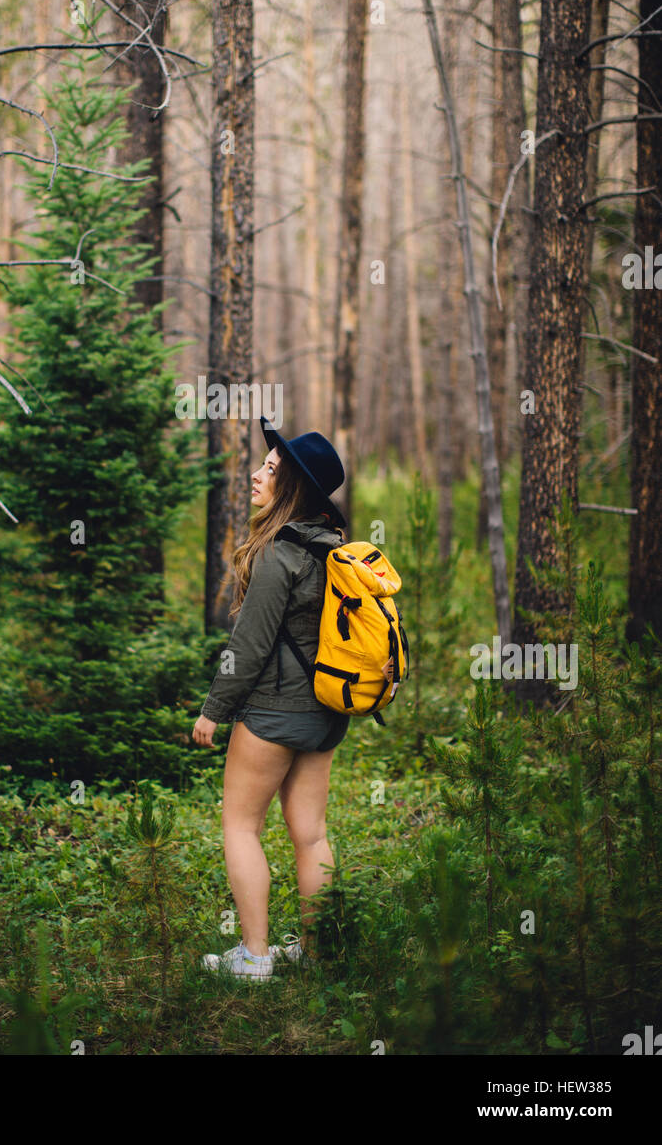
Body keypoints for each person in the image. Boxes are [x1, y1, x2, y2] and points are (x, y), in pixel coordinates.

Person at [192, 415, 385, 982]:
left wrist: (214, 712)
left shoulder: (280, 553)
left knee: (240, 826)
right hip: (327, 713)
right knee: (312, 833)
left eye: (270, 470)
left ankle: (254, 957)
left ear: (292, 486)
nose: (257, 474)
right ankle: (318, 953)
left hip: (275, 713)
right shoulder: (336, 548)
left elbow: (248, 646)